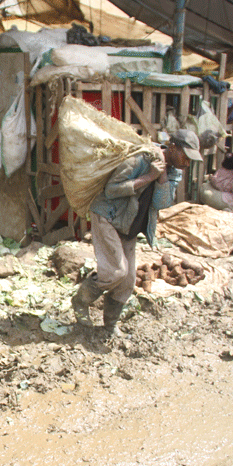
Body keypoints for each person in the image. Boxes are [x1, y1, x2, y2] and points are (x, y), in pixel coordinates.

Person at [72, 129, 201, 335]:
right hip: (109, 216)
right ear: (173, 147)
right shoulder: (141, 158)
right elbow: (111, 189)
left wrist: (161, 177)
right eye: (185, 156)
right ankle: (80, 302)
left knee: (128, 281)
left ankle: (110, 326)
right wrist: (149, 176)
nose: (187, 162)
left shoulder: (174, 171)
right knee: (115, 272)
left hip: (131, 225)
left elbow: (162, 202)